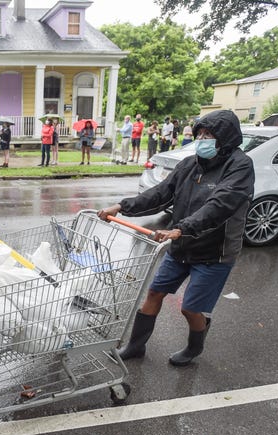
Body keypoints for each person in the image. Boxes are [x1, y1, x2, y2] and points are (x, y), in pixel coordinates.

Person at [97, 109, 255, 367]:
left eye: (209, 135)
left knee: (190, 308)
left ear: (225, 138)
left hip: (214, 251)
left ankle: (195, 347)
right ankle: (136, 346)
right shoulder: (190, 165)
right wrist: (122, 206)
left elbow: (221, 203)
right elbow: (161, 193)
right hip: (180, 244)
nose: (202, 139)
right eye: (200, 134)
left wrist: (182, 227)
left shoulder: (239, 166)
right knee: (155, 293)